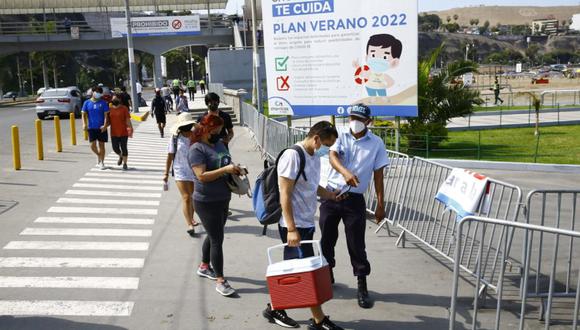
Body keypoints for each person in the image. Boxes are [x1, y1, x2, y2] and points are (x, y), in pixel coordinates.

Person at [262, 121, 344, 330]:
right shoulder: (292, 156)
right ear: (316, 138)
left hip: (306, 223)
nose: (327, 149)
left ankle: (274, 308)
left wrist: (330, 195)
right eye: (326, 144)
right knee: (304, 274)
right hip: (294, 226)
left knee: (296, 272)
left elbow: (312, 186)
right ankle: (319, 320)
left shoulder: (314, 157)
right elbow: (285, 193)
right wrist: (291, 228)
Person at [320, 104, 389, 309]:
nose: (354, 122)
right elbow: (332, 157)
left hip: (354, 199)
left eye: (359, 118)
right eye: (352, 117)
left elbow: (378, 175)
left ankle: (362, 284)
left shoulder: (376, 143)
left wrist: (380, 204)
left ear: (369, 122)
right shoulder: (339, 134)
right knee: (327, 239)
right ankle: (327, 275)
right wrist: (345, 173)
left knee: (357, 244)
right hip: (331, 196)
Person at [190, 114, 242, 297]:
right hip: (205, 200)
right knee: (217, 239)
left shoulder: (220, 144)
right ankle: (220, 280)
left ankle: (204, 266)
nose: (220, 134)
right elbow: (201, 176)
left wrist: (235, 168)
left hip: (223, 196)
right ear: (206, 130)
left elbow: (226, 161)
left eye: (220, 130)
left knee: (214, 233)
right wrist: (224, 170)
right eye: (216, 131)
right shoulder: (197, 149)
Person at [163, 113, 200, 237]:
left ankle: (192, 217)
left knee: (194, 197)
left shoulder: (196, 137)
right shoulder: (174, 138)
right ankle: (189, 223)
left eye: (188, 125)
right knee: (186, 197)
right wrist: (166, 173)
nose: (187, 128)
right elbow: (169, 156)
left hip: (194, 170)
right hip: (180, 170)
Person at [82, 86, 110, 170]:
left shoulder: (103, 103)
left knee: (102, 146)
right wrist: (84, 124)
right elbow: (83, 115)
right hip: (91, 127)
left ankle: (102, 162)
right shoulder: (86, 103)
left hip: (101, 128)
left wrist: (105, 125)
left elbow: (106, 116)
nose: (98, 94)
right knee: (92, 146)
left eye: (100, 93)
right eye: (97, 92)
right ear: (93, 92)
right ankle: (98, 155)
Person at [109, 95, 132, 170]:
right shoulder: (110, 109)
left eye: (115, 99)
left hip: (123, 132)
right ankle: (120, 156)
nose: (114, 100)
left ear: (119, 99)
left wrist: (130, 128)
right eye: (113, 99)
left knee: (124, 148)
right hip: (114, 132)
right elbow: (107, 120)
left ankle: (125, 163)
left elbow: (128, 120)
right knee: (115, 148)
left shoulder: (124, 108)